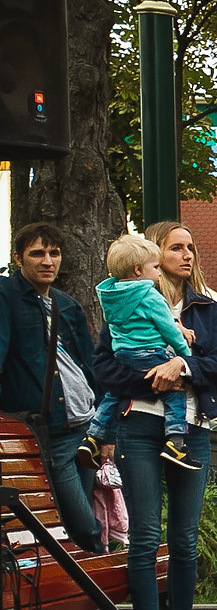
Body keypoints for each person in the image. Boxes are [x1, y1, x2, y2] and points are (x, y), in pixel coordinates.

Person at [92, 219, 217, 610]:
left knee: (185, 538)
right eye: (176, 248)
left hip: (192, 428)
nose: (187, 255)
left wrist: (182, 369)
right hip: (138, 427)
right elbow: (105, 367)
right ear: (151, 257)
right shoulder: (125, 303)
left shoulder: (205, 308)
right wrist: (154, 378)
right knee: (146, 536)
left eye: (191, 247)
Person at [0, 223, 102, 551]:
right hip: (49, 430)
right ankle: (98, 571)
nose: (47, 261)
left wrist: (104, 423)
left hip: (85, 425)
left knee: (77, 520)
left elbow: (91, 365)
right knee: (82, 524)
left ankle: (88, 578)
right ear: (18, 258)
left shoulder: (67, 304)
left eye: (54, 253)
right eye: (37, 253)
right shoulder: (6, 296)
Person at [79, 235, 195, 473]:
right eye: (155, 267)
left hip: (123, 354)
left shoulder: (112, 297)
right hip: (150, 352)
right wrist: (185, 355)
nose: (159, 273)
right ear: (138, 270)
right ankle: (175, 441)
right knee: (174, 392)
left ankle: (92, 437)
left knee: (113, 395)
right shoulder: (150, 295)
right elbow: (168, 329)